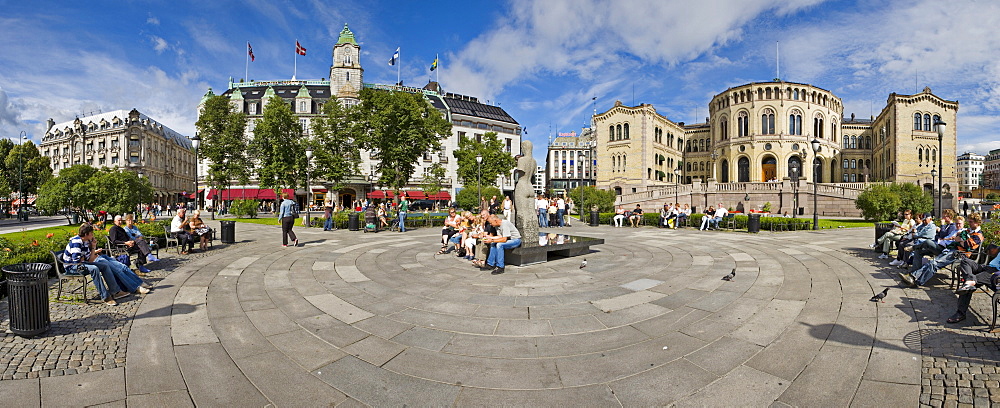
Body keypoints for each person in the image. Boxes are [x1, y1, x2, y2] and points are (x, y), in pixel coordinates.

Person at [64, 223, 149, 306]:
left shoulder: (86, 241)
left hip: (82, 263)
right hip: (72, 267)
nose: (93, 235)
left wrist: (93, 246)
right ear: (86, 234)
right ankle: (105, 296)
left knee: (105, 266)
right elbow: (77, 261)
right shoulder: (76, 242)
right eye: (91, 233)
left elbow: (89, 259)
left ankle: (115, 292)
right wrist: (85, 257)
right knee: (94, 268)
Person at [902, 213, 983, 287]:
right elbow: (957, 238)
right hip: (952, 250)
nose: (969, 224)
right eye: (969, 221)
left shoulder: (978, 235)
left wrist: (960, 240)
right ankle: (912, 276)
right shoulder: (969, 231)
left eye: (971, 222)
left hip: (960, 254)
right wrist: (960, 239)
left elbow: (965, 245)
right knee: (931, 262)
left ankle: (917, 282)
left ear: (977, 222)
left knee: (934, 263)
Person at [949, 244, 1000, 323]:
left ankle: (960, 313)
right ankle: (970, 280)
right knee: (965, 261)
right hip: (987, 267)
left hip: (995, 274)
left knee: (967, 287)